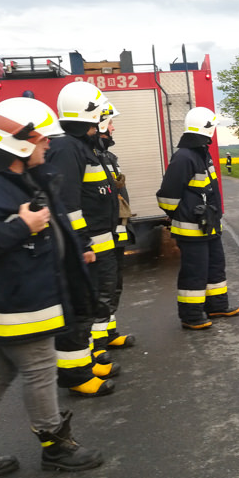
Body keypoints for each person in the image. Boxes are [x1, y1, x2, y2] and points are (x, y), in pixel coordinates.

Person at [0, 98, 103, 478]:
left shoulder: (19, 179)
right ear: (22, 144)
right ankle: (56, 446)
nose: (49, 147)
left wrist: (77, 254)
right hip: (16, 305)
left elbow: (52, 226)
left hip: (13, 300)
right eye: (44, 142)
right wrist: (20, 228)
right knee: (41, 369)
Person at [45, 81, 119, 396]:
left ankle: (86, 362)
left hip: (98, 242)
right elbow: (66, 204)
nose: (104, 123)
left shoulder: (82, 147)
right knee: (80, 307)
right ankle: (76, 376)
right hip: (85, 248)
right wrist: (82, 246)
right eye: (100, 116)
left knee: (92, 305)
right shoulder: (67, 149)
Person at [156, 106, 239, 330]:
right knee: (195, 272)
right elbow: (166, 197)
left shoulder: (201, 154)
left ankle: (217, 305)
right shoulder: (184, 157)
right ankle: (191, 316)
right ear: (206, 129)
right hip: (191, 229)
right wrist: (182, 214)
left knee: (215, 266)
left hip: (209, 225)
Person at [91, 103, 136, 354]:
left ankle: (108, 333)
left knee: (113, 285)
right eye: (109, 123)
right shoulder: (91, 156)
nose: (113, 127)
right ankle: (96, 344)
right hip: (100, 236)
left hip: (114, 232)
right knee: (102, 288)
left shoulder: (106, 157)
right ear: (98, 124)